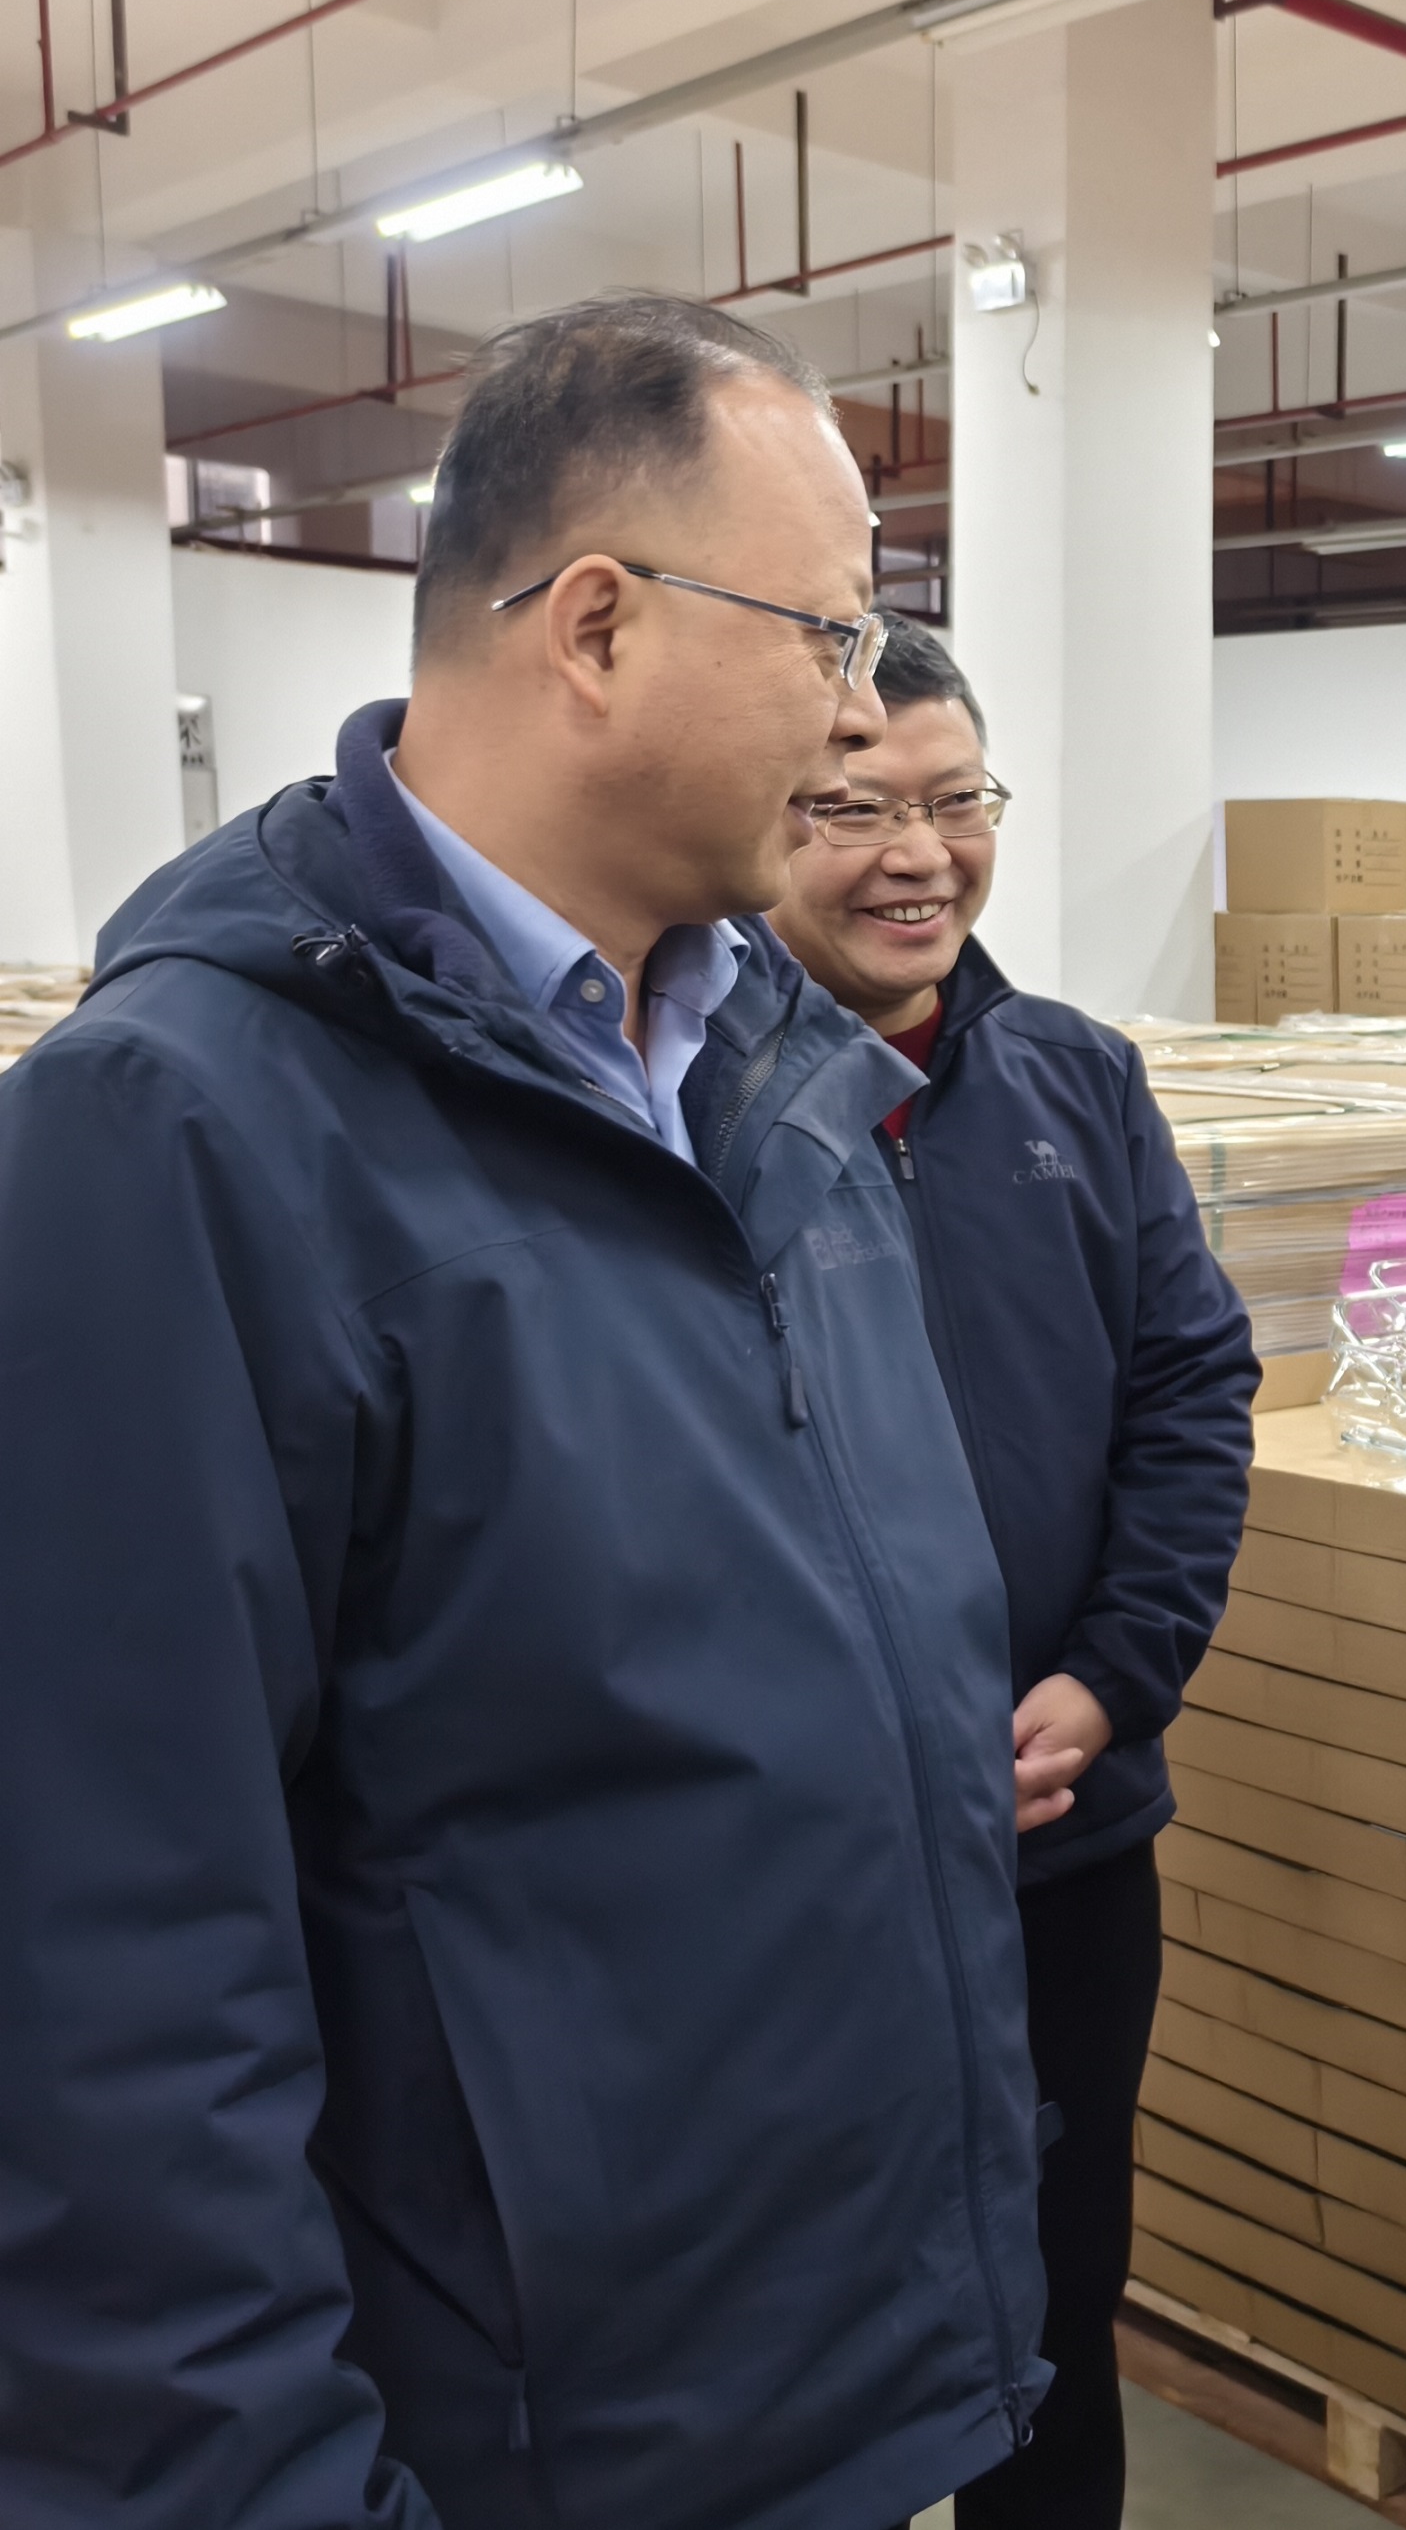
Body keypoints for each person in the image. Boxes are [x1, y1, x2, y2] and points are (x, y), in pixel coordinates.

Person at [0, 295, 1049, 2529]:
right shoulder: (178, 1130)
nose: (859, 709)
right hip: (530, 2447)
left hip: (851, 2385)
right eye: (829, 634)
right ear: (595, 625)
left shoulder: (771, 1076)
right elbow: (105, 1966)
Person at [765, 624, 1260, 2530]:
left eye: (956, 800)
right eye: (854, 808)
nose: (921, 854)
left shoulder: (1076, 1078)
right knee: (800, 2332)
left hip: (1066, 1839)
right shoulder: (684, 1101)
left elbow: (1190, 1387)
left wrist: (1116, 1675)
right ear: (765, 814)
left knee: (1059, 2301)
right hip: (808, 1871)